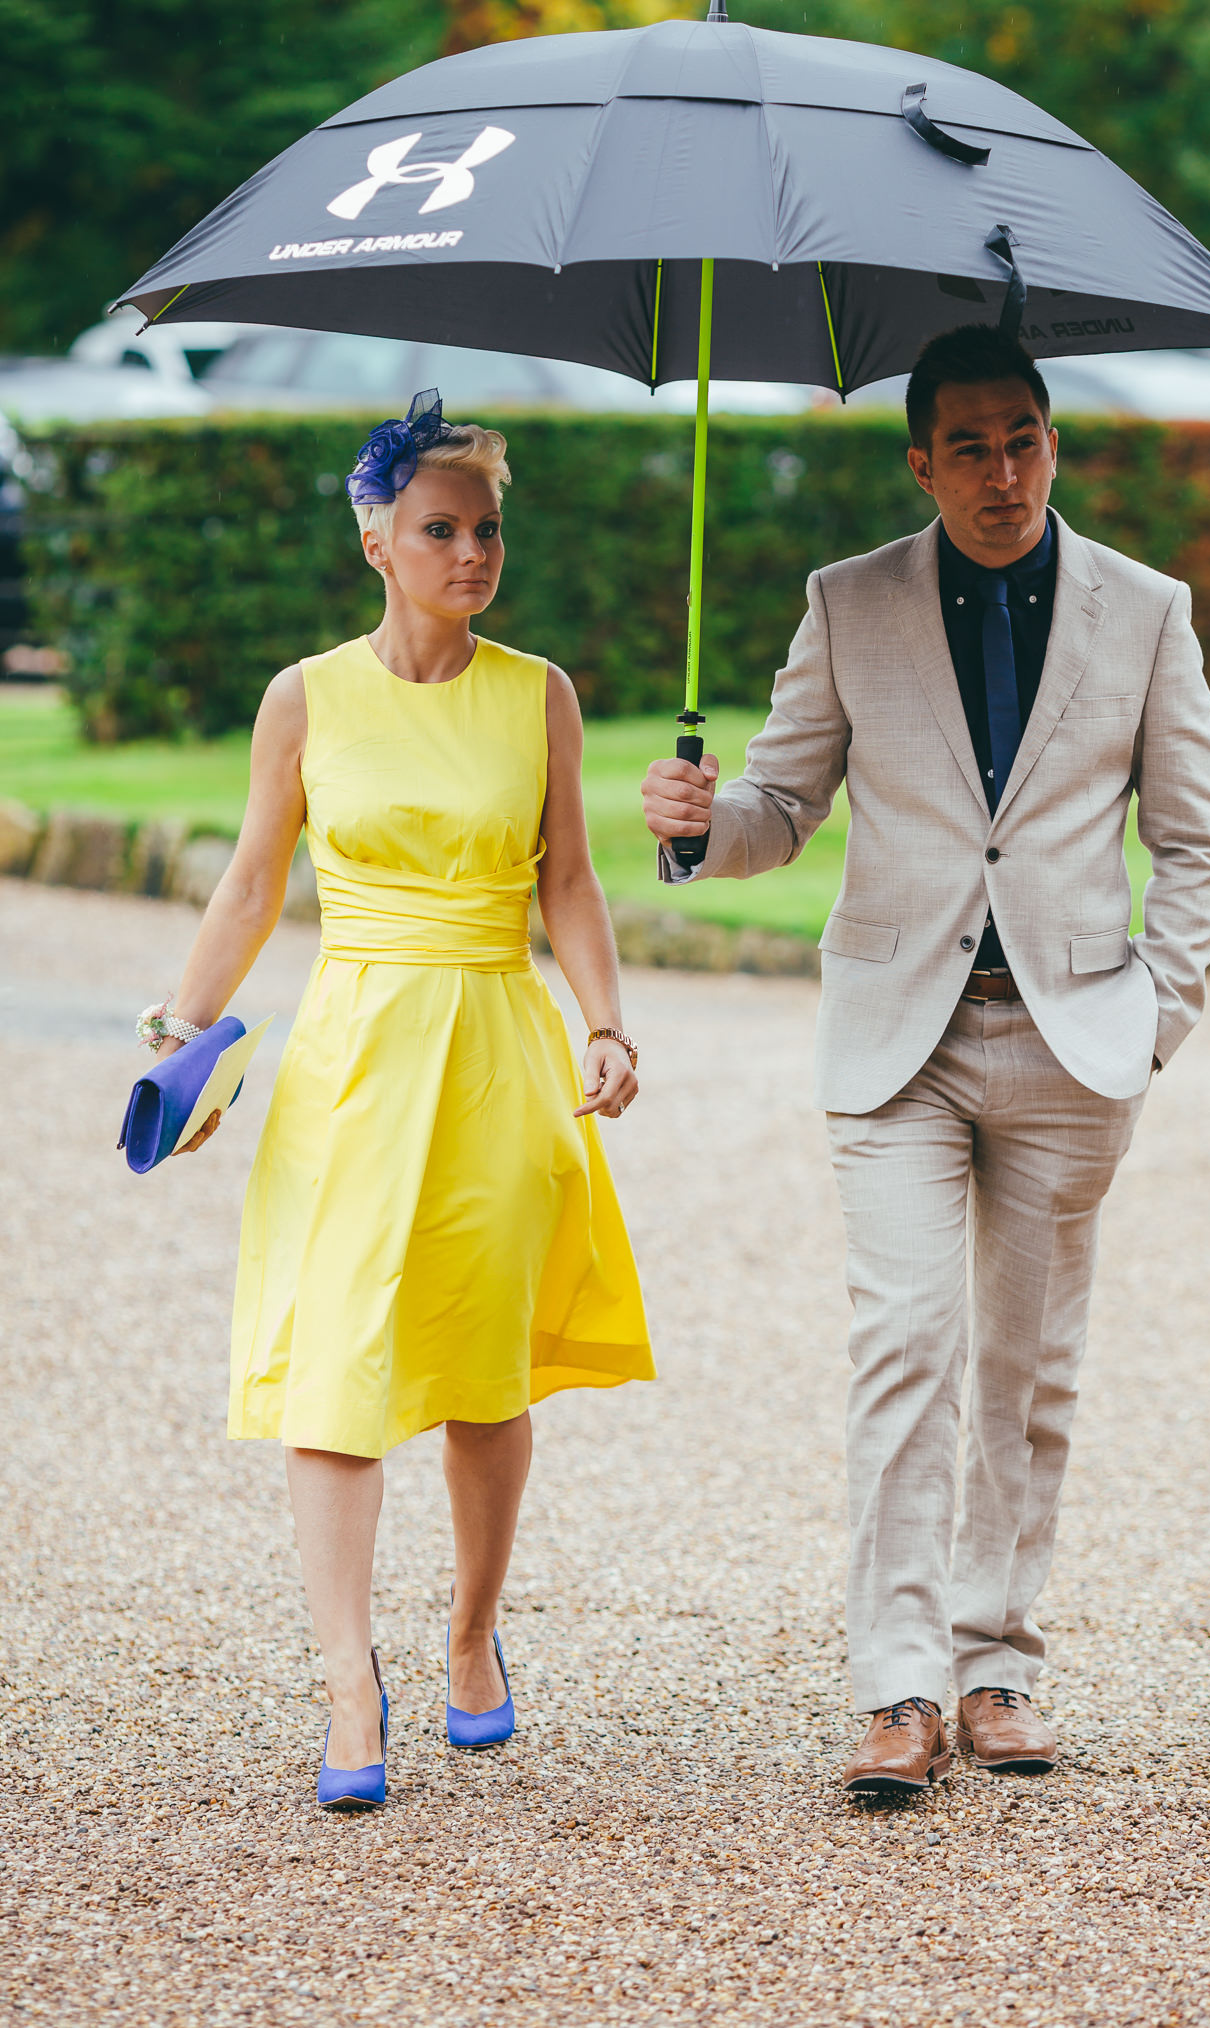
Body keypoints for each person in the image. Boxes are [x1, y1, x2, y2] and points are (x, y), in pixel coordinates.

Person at [641, 326, 1210, 1793]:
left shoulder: (1144, 610)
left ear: (1054, 444)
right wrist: (697, 822)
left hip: (1069, 1043)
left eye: (1021, 437)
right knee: (903, 1349)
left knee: (1025, 1373)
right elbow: (780, 807)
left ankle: (997, 1663)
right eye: (967, 444)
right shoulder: (846, 605)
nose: (1000, 470)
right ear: (920, 461)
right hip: (894, 1043)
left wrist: (1151, 1015)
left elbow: (1195, 839)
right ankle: (897, 1689)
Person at [140, 390, 653, 1810]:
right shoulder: (304, 696)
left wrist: (607, 1023)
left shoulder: (537, 691)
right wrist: (181, 1040)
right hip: (354, 1051)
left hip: (499, 1049)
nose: (472, 552)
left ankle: (475, 1632)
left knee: (483, 1376)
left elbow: (567, 880)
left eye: (488, 529)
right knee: (337, 1364)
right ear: (377, 540)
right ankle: (345, 1676)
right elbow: (252, 882)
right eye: (441, 529)